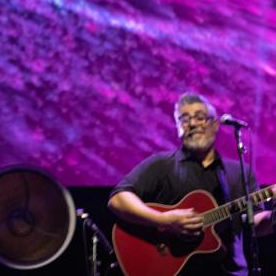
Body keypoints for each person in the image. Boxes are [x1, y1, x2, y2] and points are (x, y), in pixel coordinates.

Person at [108, 92, 274, 275]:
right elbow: (118, 199)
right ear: (178, 127)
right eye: (184, 120)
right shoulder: (161, 164)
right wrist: (164, 220)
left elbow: (254, 224)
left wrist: (273, 217)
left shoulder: (241, 171)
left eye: (200, 118)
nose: (193, 124)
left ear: (215, 124)